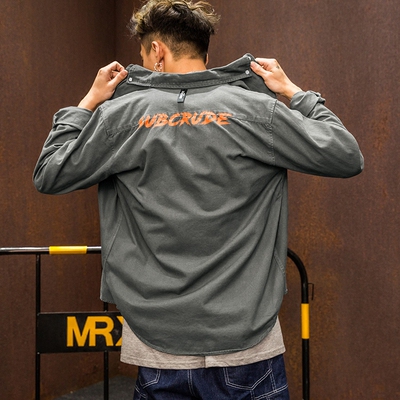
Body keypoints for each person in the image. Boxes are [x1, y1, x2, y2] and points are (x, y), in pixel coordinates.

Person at [33, 0, 364, 398]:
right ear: (204, 53)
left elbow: (49, 173)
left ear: (157, 51)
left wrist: (89, 101)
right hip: (247, 340)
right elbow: (346, 154)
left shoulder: (120, 115)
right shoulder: (258, 111)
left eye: (143, 54)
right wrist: (293, 92)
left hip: (158, 343)